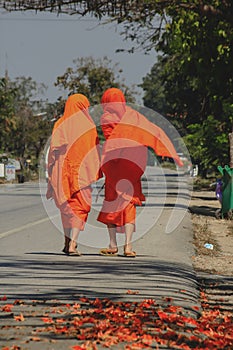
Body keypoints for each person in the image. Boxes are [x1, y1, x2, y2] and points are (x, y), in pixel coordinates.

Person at [97, 87, 183, 257]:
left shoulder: (106, 117)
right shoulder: (132, 115)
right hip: (133, 164)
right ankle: (128, 247)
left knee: (111, 202)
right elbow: (148, 130)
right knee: (129, 204)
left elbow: (111, 139)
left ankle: (113, 244)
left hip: (115, 164)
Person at [46, 93, 102, 256]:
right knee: (80, 207)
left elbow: (53, 150)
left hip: (62, 173)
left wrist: (51, 171)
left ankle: (66, 242)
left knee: (66, 208)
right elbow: (94, 151)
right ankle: (73, 244)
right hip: (82, 174)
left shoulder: (60, 123)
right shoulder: (88, 126)